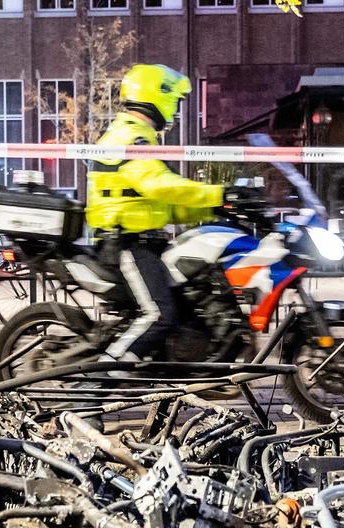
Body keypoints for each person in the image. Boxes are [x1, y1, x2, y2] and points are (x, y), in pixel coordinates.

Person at [86, 63, 225, 362]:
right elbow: (159, 184)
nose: (174, 109)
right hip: (127, 245)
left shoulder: (141, 137)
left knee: (191, 305)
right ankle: (95, 387)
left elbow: (164, 205)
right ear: (155, 95)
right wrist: (219, 193)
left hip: (147, 241)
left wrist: (217, 208)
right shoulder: (128, 137)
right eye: (173, 100)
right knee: (159, 315)